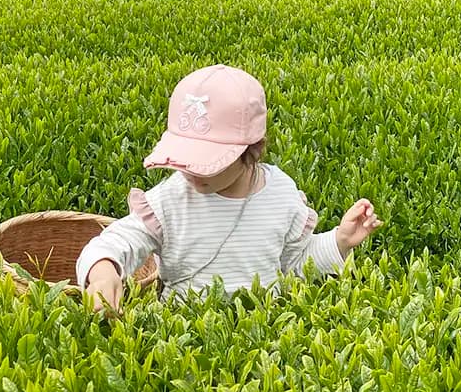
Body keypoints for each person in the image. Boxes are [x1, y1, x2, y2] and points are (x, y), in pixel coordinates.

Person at [77, 64, 382, 313]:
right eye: (185, 159)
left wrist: (339, 242)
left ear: (251, 150)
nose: (191, 171)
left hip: (262, 330)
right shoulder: (170, 200)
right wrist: (103, 270)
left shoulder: (281, 195)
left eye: (206, 161)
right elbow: (118, 240)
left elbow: (294, 262)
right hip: (184, 329)